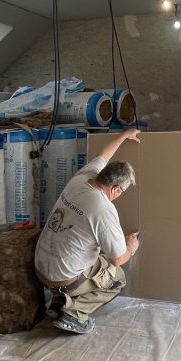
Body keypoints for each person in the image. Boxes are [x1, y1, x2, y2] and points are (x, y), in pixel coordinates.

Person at [34, 128, 141, 333]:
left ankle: (58, 303)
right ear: (115, 189)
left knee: (90, 251)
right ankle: (74, 314)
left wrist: (124, 135)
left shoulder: (83, 177)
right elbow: (118, 259)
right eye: (122, 191)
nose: (121, 195)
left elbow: (103, 155)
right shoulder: (104, 210)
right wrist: (131, 247)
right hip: (60, 278)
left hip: (39, 266)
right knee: (117, 277)